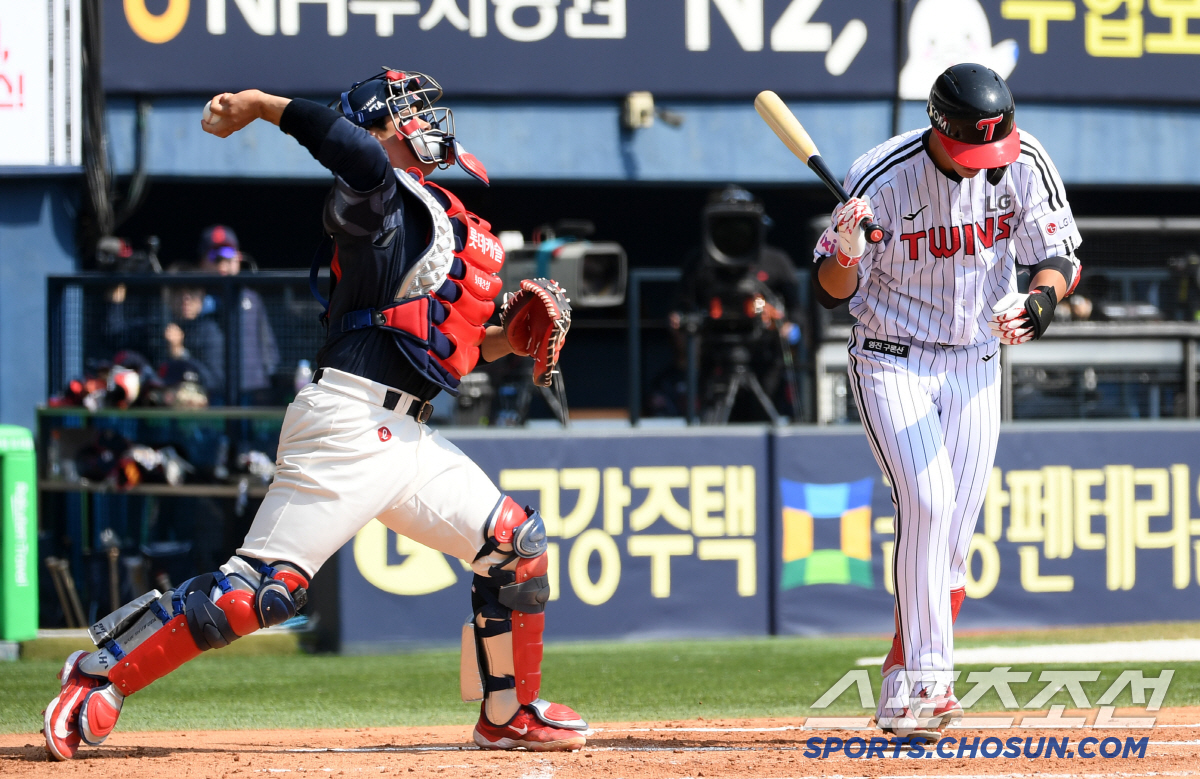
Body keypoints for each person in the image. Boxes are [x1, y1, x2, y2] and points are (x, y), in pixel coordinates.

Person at [43, 68, 583, 760]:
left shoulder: (435, 214)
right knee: (258, 596)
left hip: (407, 431)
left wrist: (514, 339)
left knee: (518, 545)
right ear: (381, 126)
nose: (427, 119)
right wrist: (263, 106)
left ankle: (509, 712)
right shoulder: (374, 193)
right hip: (348, 423)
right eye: (407, 111)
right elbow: (351, 150)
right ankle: (100, 675)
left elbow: (445, 353)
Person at [811, 64, 1080, 741]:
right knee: (926, 502)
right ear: (939, 130)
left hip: (977, 362)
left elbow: (1062, 258)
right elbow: (830, 290)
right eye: (973, 150)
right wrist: (845, 249)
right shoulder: (880, 175)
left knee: (951, 551)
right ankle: (931, 683)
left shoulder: (1025, 158)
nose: (987, 164)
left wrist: (1040, 302)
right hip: (891, 358)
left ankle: (901, 691)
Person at [660, 186, 803, 421]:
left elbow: (797, 312)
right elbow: (681, 309)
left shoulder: (777, 261)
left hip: (764, 359)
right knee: (712, 419)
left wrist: (786, 325)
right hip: (715, 357)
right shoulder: (698, 262)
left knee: (762, 420)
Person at [198, 225, 281, 405]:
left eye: (228, 254)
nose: (222, 263)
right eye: (214, 256)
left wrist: (268, 377)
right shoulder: (192, 299)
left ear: (238, 257)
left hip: (251, 390)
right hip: (209, 391)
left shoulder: (252, 298)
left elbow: (267, 343)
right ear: (203, 262)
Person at [164, 283, 226, 399]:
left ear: (202, 296)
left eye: (192, 292)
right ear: (168, 298)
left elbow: (215, 381)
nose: (185, 299)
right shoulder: (158, 329)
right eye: (179, 293)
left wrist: (181, 354)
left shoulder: (210, 332)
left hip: (203, 410)